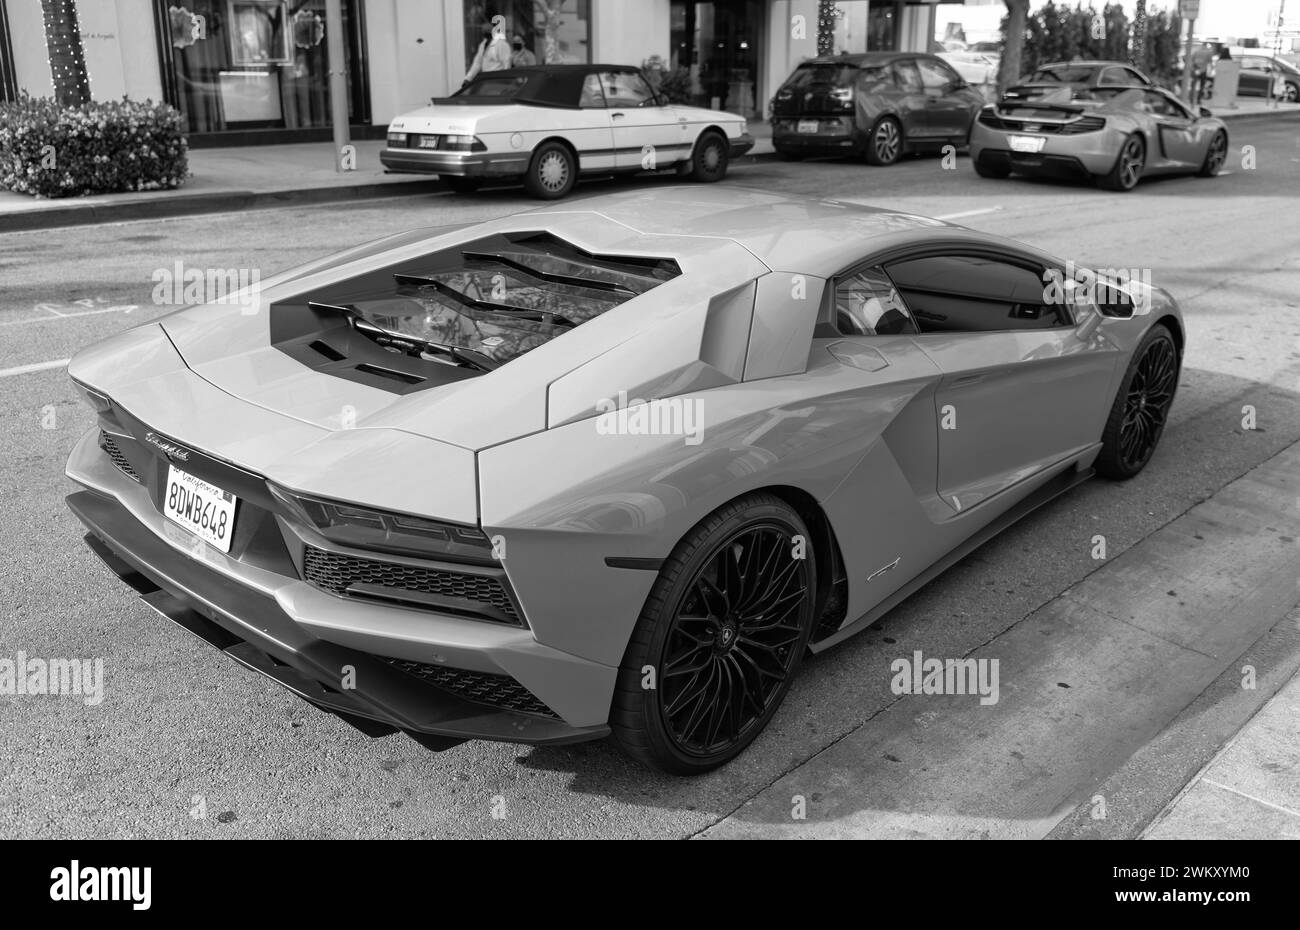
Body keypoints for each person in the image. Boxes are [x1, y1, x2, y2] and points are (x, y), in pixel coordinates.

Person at [463, 19, 510, 85]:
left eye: (488, 30)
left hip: (498, 81)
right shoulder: (483, 44)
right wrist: (468, 79)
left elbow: (506, 64)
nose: (485, 31)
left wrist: (505, 81)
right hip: (485, 81)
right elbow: (477, 63)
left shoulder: (502, 44)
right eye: (484, 30)